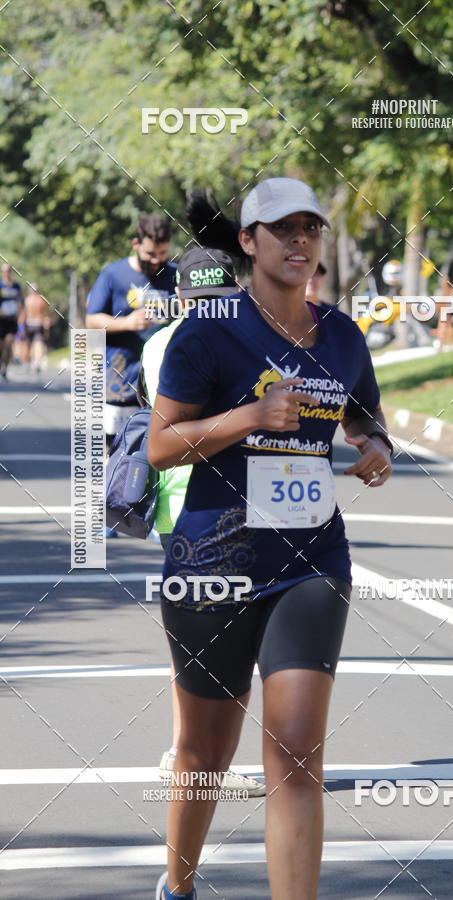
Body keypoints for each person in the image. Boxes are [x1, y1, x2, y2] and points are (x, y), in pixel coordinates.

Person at [148, 177, 393, 900]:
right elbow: (161, 447)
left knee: (293, 755)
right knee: (203, 752)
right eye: (281, 229)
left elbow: (366, 417)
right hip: (212, 562)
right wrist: (251, 417)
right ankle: (178, 886)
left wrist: (375, 447)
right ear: (248, 242)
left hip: (311, 561)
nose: (300, 241)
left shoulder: (341, 336)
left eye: (310, 228)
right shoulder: (209, 330)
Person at [139, 237, 266, 800]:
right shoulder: (189, 344)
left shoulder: (162, 342)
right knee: (216, 638)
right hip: (201, 501)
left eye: (221, 297)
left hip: (205, 501)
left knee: (202, 636)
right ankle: (196, 754)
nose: (212, 308)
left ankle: (188, 751)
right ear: (184, 298)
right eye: (204, 300)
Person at [86, 214, 177, 445]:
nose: (156, 261)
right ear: (136, 244)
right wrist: (126, 323)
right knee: (115, 445)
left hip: (163, 376)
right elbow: (92, 320)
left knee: (155, 443)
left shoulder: (176, 275)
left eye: (163, 254)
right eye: (150, 254)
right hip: (120, 376)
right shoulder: (113, 275)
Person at [19, 283, 53, 372]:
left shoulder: (27, 300)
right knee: (38, 343)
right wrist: (47, 320)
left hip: (30, 323)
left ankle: (27, 362)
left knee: (28, 344)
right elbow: (49, 312)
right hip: (38, 323)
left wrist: (20, 326)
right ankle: (35, 362)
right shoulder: (42, 299)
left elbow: (23, 314)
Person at [0, 262, 24, 379]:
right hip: (1, 320)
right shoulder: (0, 286)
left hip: (12, 320)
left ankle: (5, 368)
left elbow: (20, 302)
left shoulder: (16, 287)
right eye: (5, 271)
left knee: (9, 343)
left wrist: (21, 316)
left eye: (9, 270)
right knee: (1, 346)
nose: (7, 273)